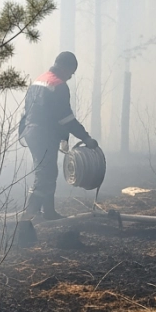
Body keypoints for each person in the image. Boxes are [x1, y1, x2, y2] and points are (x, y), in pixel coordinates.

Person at [20, 51, 98, 221]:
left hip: (31, 132)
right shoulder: (58, 85)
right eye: (71, 72)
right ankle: (29, 214)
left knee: (47, 171)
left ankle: (47, 212)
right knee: (45, 174)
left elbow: (29, 110)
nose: (71, 76)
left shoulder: (39, 80)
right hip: (44, 134)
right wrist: (86, 138)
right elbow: (66, 119)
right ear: (65, 67)